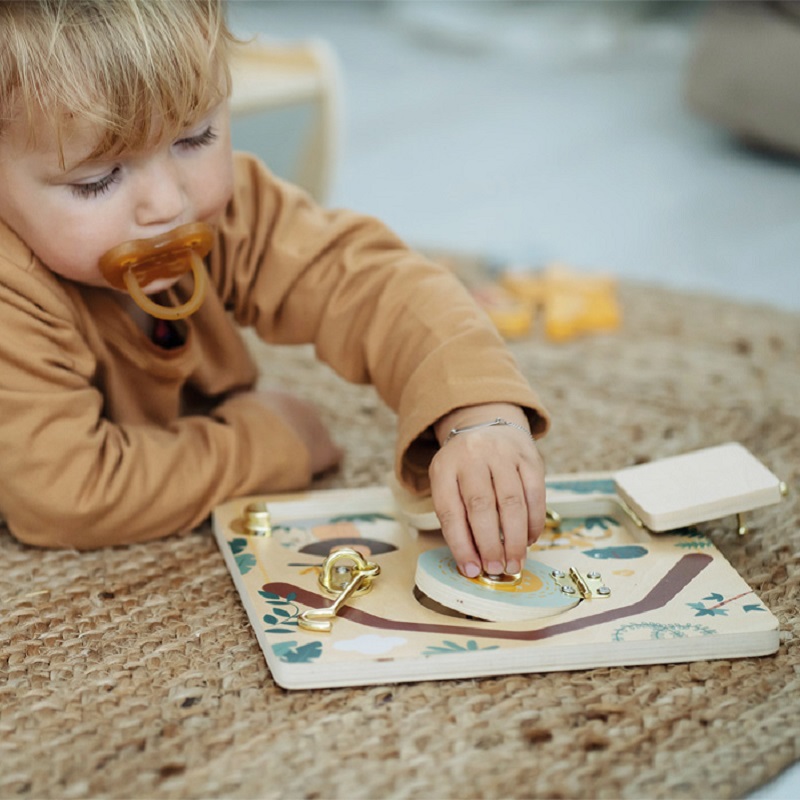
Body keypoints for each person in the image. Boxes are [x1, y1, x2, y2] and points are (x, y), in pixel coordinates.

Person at [0, 0, 549, 581]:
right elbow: (65, 493)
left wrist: (476, 411)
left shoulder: (225, 214)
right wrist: (273, 441)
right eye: (97, 180)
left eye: (195, 137)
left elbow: (368, 283)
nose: (168, 204)